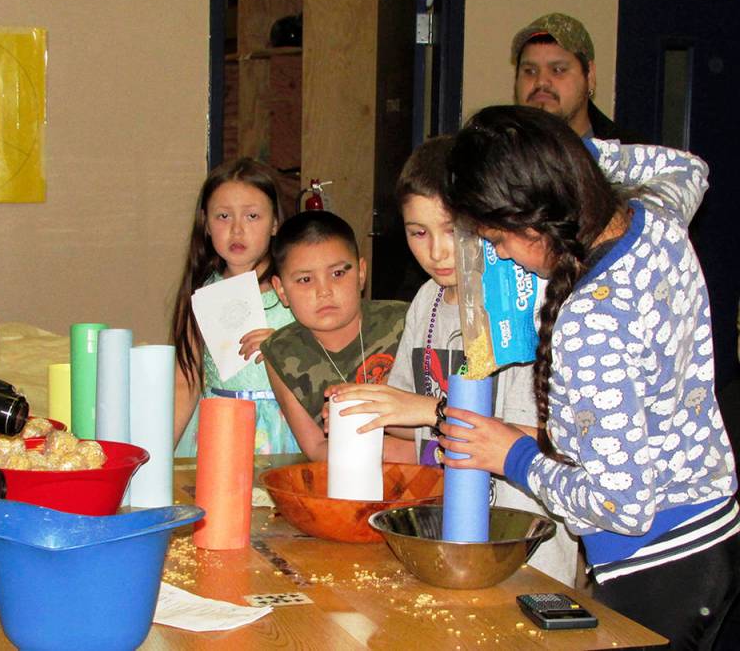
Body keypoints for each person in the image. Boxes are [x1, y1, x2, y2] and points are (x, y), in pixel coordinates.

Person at [437, 105, 739, 648]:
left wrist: (513, 456)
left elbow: (619, 507)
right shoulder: (658, 217)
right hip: (714, 538)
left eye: (499, 239)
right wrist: (580, 159)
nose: (500, 256)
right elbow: (688, 166)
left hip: (655, 567)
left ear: (535, 218)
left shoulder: (590, 319)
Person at [326, 136, 579, 586]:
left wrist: (426, 410)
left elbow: (560, 441)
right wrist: (369, 411)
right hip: (444, 536)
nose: (437, 252)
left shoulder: (530, 306)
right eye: (418, 232)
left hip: (526, 553)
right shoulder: (427, 302)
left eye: (453, 230)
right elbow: (410, 416)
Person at [260, 210, 415, 463]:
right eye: (305, 279)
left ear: (361, 273)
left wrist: (422, 453)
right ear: (281, 290)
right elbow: (316, 447)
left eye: (338, 274)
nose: (324, 291)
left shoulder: (405, 321)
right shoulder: (280, 351)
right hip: (342, 481)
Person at [171, 157, 299, 456]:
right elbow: (184, 383)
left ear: (275, 223)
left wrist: (286, 347)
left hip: (288, 432)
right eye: (223, 217)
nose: (237, 230)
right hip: (219, 432)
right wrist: (157, 459)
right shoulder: (201, 295)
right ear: (205, 222)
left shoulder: (297, 288)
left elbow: (331, 357)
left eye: (252, 216)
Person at [511, 12, 645, 142]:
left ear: (590, 76)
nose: (541, 82)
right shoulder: (496, 154)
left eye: (557, 70)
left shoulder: (627, 158)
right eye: (530, 71)